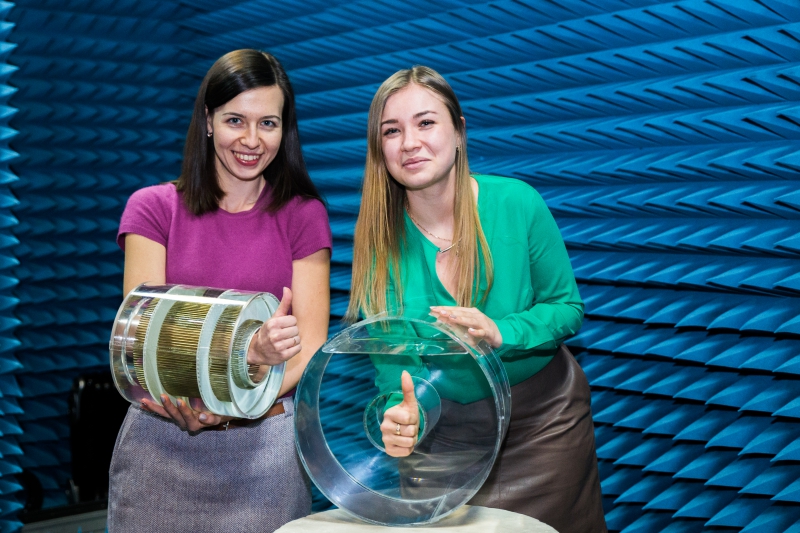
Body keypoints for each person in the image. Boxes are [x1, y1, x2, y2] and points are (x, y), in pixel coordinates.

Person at [346, 66, 606, 533]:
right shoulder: (378, 247)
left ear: (459, 131)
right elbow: (394, 368)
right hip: (444, 436)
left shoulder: (517, 203)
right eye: (392, 130)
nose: (409, 143)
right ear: (379, 148)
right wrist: (403, 415)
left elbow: (566, 308)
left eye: (426, 122)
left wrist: (503, 332)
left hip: (543, 425)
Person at [108, 49, 331, 532]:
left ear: (285, 130)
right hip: (160, 447)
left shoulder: (303, 215)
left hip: (264, 453)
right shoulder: (153, 208)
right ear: (208, 120)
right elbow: (142, 337)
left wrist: (229, 403)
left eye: (268, 123)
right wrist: (242, 360)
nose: (251, 140)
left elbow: (310, 345)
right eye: (235, 120)